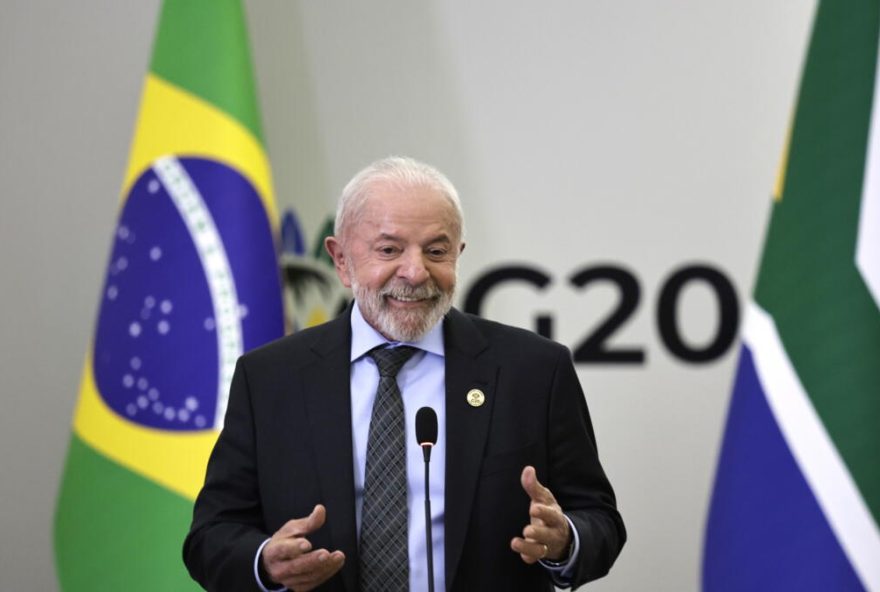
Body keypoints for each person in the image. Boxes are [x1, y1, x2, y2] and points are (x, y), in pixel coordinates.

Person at [183, 156, 625, 591]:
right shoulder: (269, 378)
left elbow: (600, 520)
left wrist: (565, 540)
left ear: (458, 255)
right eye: (389, 250)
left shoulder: (532, 371)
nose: (415, 273)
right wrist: (265, 562)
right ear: (341, 260)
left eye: (436, 251)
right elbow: (211, 536)